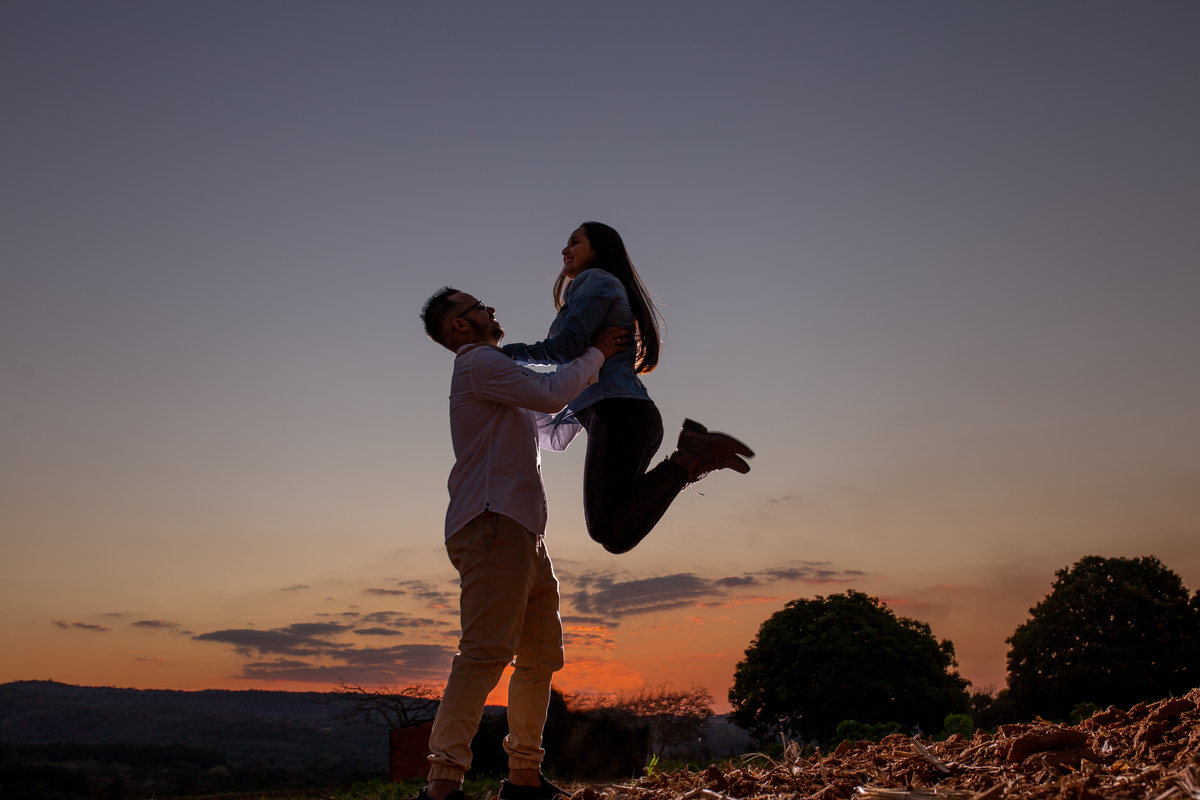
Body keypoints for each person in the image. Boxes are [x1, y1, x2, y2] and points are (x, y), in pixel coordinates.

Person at [417, 286, 629, 800]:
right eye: (478, 305)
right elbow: (553, 391)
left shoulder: (499, 379)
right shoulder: (478, 363)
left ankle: (524, 779)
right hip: (492, 525)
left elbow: (552, 429)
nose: (491, 308)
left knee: (540, 657)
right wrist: (597, 351)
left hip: (523, 533)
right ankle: (442, 786)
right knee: (485, 652)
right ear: (461, 326)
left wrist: (597, 391)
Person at [502, 221, 754, 555]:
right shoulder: (599, 285)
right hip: (624, 416)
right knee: (616, 533)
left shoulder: (594, 279)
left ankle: (690, 457)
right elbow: (570, 377)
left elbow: (565, 347)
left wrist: (503, 355)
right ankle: (690, 457)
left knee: (608, 528)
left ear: (597, 250)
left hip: (618, 414)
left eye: (575, 242)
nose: (565, 250)